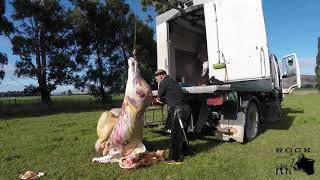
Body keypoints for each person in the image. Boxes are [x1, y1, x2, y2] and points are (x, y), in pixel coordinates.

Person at [153, 69, 192, 164]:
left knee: (175, 135)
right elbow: (171, 98)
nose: (156, 80)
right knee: (182, 133)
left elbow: (158, 98)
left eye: (156, 78)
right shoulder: (172, 82)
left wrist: (154, 99)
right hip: (186, 109)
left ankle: (174, 158)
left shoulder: (163, 83)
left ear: (161, 76)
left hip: (178, 111)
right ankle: (184, 152)